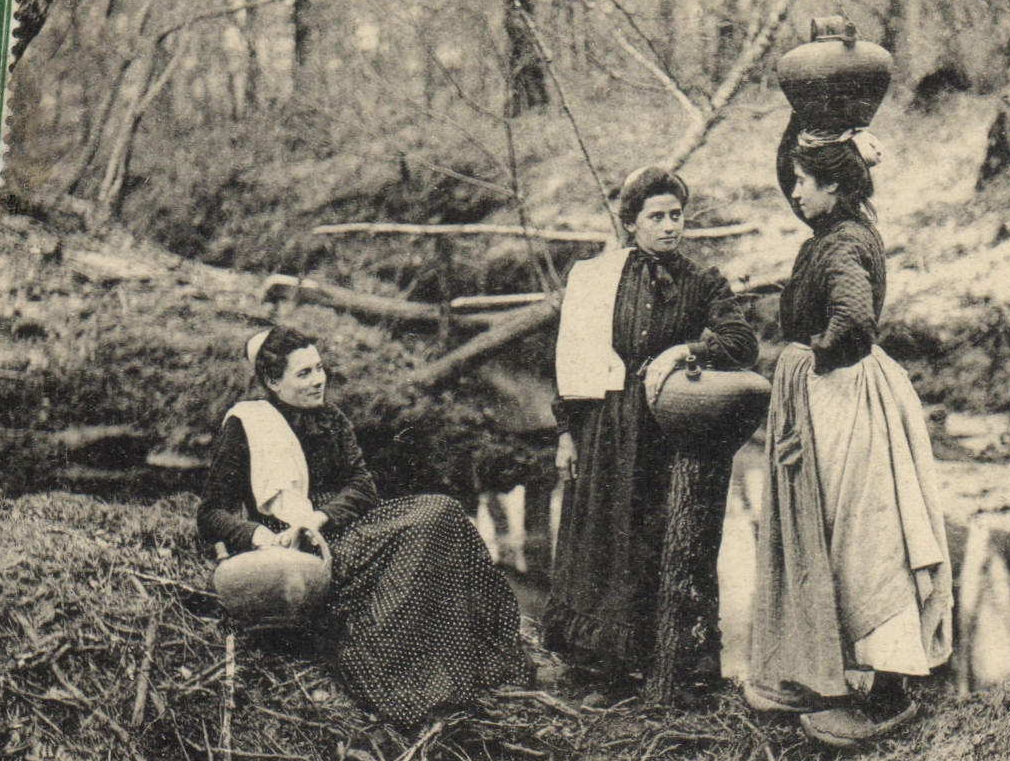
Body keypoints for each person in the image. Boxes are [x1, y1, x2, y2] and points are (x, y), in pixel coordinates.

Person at [198, 325, 530, 727]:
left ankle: (459, 659)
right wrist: (259, 536)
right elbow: (212, 513)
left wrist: (320, 517)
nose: (319, 379)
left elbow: (362, 485)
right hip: (297, 546)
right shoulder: (247, 425)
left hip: (337, 524)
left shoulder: (330, 419)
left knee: (441, 512)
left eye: (319, 368)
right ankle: (400, 674)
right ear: (272, 380)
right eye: (303, 373)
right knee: (428, 523)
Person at [745, 120, 953, 747]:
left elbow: (855, 319)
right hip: (841, 395)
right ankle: (835, 673)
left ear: (833, 187)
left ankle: (890, 693)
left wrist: (815, 353)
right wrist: (799, 118)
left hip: (849, 401)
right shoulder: (839, 229)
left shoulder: (840, 246)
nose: (795, 194)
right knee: (843, 533)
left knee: (869, 541)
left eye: (805, 183)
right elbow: (795, 176)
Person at [545, 166, 758, 698]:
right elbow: (571, 357)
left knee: (652, 540)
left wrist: (686, 350)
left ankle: (667, 664)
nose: (668, 227)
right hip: (602, 424)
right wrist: (566, 433)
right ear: (632, 224)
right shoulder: (597, 277)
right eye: (655, 217)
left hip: (661, 426)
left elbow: (740, 343)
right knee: (599, 538)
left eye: (676, 215)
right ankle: (600, 670)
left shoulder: (699, 280)